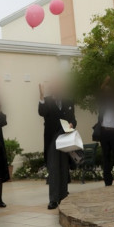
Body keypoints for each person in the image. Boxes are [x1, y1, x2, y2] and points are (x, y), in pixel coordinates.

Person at [38, 81, 77, 210]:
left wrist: (72, 124)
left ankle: (63, 195)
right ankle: (53, 200)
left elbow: (73, 119)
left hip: (66, 138)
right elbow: (42, 112)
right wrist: (41, 96)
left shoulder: (68, 101)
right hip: (52, 139)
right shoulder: (47, 101)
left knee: (64, 168)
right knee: (54, 169)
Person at [96, 75, 114, 186]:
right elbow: (99, 92)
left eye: (110, 92)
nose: (108, 93)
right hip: (104, 132)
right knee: (106, 157)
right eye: (106, 92)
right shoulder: (102, 104)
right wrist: (105, 81)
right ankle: (107, 181)